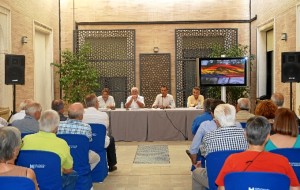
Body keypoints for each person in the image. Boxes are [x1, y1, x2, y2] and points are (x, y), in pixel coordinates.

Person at [216, 116, 300, 190]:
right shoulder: (282, 161)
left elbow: (222, 187)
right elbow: (295, 188)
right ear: (268, 137)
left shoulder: (232, 160)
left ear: (245, 135)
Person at [192, 104, 248, 190]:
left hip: (215, 182)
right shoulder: (247, 136)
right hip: (241, 180)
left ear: (217, 121)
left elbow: (205, 155)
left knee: (196, 172)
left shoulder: (209, 137)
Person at [21, 110, 77, 190]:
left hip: (29, 182)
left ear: (40, 123)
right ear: (56, 127)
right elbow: (68, 170)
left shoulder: (25, 139)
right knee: (73, 174)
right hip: (52, 184)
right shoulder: (62, 143)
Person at [58, 102, 100, 171]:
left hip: (63, 156)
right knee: (97, 158)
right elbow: (88, 143)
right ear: (81, 116)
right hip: (81, 156)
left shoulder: (59, 125)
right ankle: (84, 172)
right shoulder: (87, 127)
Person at [82, 94, 118, 172]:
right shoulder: (103, 115)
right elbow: (105, 128)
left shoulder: (81, 114)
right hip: (100, 142)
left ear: (85, 104)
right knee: (111, 139)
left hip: (85, 142)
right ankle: (111, 165)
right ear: (96, 103)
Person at [188, 99, 225, 164]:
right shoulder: (237, 125)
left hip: (210, 160)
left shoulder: (203, 124)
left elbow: (194, 132)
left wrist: (194, 161)